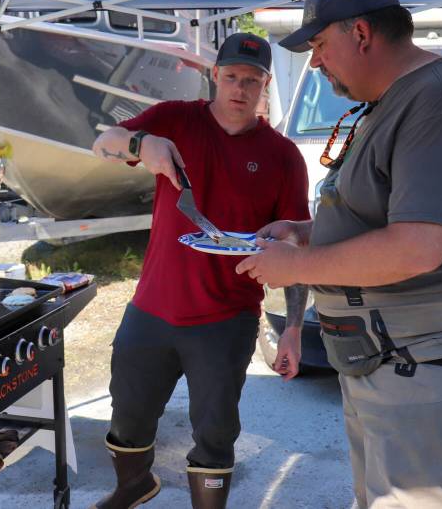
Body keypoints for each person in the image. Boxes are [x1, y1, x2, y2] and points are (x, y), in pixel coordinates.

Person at [237, 0, 442, 508]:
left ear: (360, 32)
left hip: (438, 360)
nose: (316, 61)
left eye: (320, 45)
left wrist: (297, 267)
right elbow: (385, 212)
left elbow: (417, 246)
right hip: (397, 359)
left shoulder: (440, 101)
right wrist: (307, 235)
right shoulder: (401, 100)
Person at [90, 32, 310, 509]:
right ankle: (134, 485)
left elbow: (296, 245)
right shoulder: (173, 121)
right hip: (151, 307)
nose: (240, 89)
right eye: (231, 76)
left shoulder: (283, 156)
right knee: (128, 415)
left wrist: (293, 328)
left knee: (215, 430)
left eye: (252, 81)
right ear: (215, 76)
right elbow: (102, 143)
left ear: (265, 84)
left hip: (226, 318)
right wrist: (140, 142)